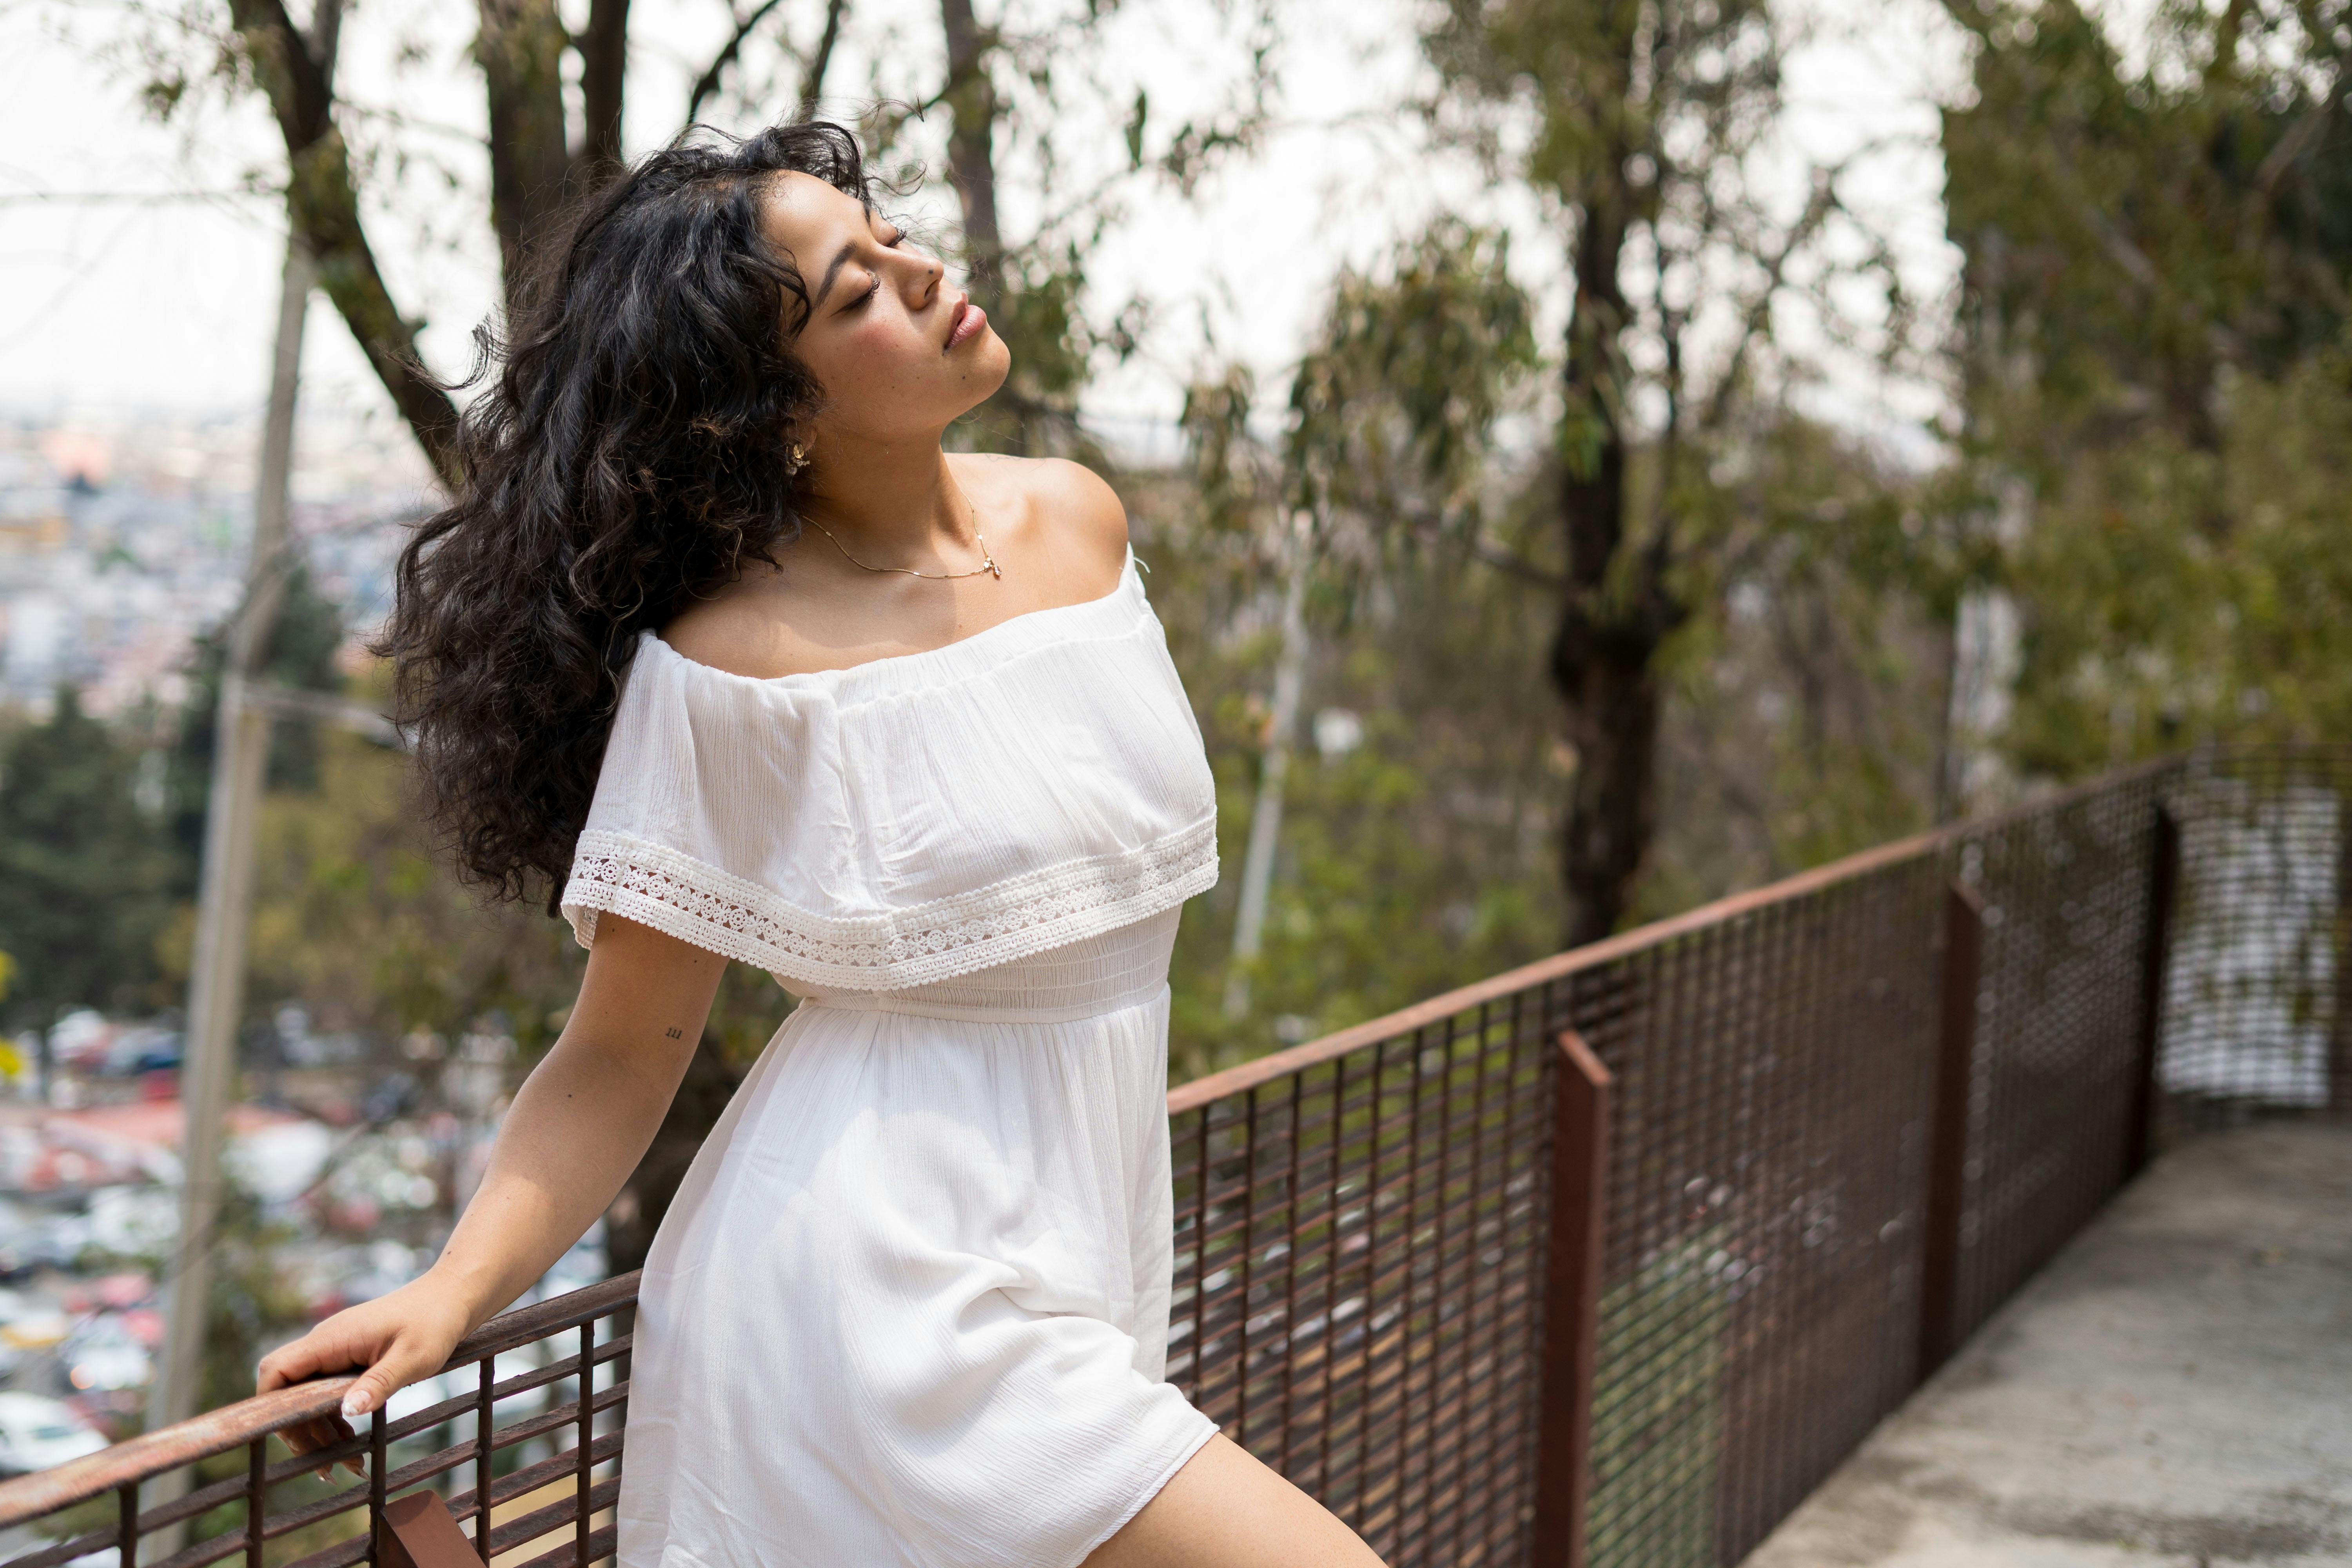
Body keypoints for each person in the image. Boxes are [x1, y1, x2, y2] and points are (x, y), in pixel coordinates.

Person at [253, 122, 1385, 1568]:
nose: (919, 273)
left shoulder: (1080, 523)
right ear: (767, 408)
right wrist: (455, 1288)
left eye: (886, 239)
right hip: (879, 1294)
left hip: (1076, 1236)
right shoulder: (739, 665)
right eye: (853, 296)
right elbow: (622, 1050)